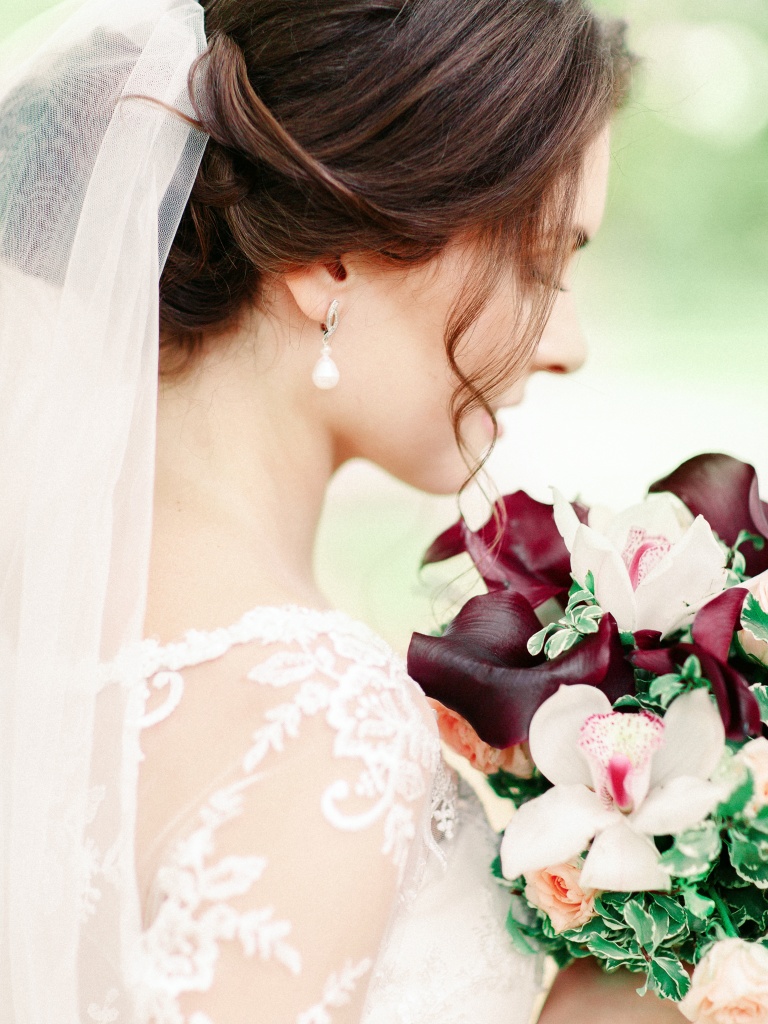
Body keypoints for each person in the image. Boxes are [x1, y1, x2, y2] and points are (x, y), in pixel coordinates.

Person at [0, 0, 683, 1021]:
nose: (567, 345)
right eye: (542, 262)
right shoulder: (313, 713)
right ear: (332, 262)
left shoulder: (43, 622)